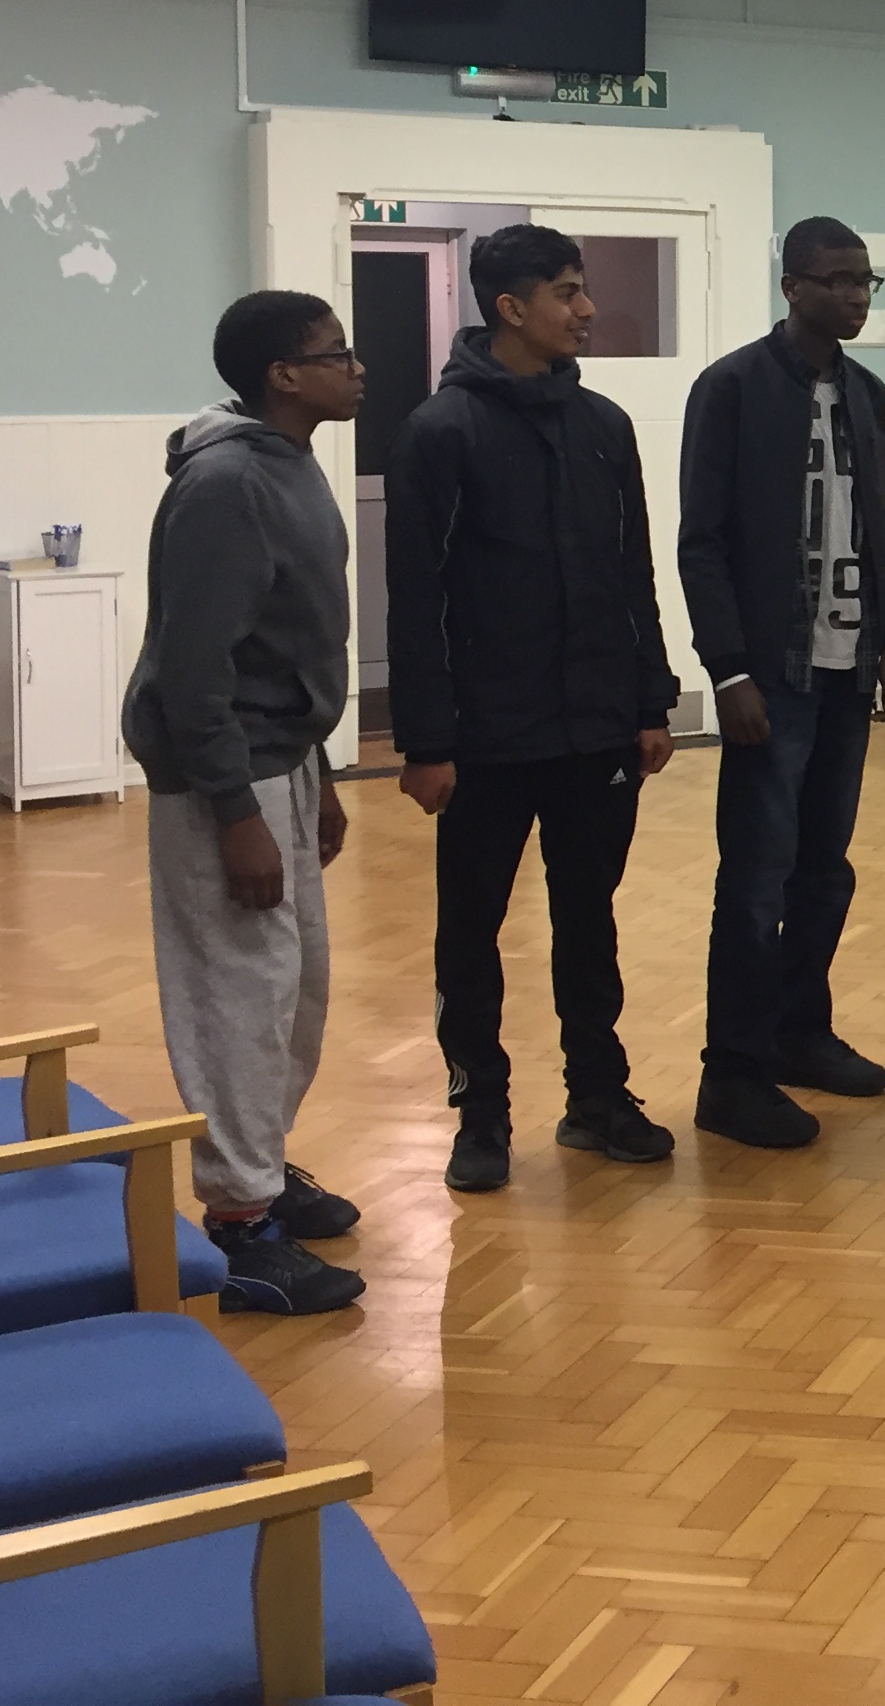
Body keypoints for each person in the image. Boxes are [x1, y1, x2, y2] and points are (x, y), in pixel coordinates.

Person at [392, 224, 681, 1194]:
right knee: (470, 934)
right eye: (566, 292)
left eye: (584, 288)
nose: (587, 309)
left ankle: (597, 1098)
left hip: (597, 728)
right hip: (484, 741)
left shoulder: (605, 427)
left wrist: (650, 700)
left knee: (588, 923)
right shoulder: (439, 432)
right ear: (511, 308)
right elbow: (415, 602)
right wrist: (426, 742)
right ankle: (480, 1112)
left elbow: (634, 572)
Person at [124, 290, 365, 1314]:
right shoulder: (225, 484)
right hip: (222, 775)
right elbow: (194, 670)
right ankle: (240, 1225)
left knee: (292, 989)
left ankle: (261, 1166)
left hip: (282, 761)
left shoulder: (290, 462)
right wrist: (234, 813)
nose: (356, 367)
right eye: (336, 354)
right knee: (236, 994)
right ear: (284, 375)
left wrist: (320, 775)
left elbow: (287, 643)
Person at [679, 216, 885, 1149]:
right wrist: (729, 668)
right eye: (838, 280)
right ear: (793, 287)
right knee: (755, 881)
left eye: (866, 280)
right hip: (769, 676)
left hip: (847, 669)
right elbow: (702, 542)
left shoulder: (868, 392)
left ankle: (798, 1033)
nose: (856, 296)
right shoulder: (732, 387)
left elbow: (873, 523)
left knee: (825, 872)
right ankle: (731, 1075)